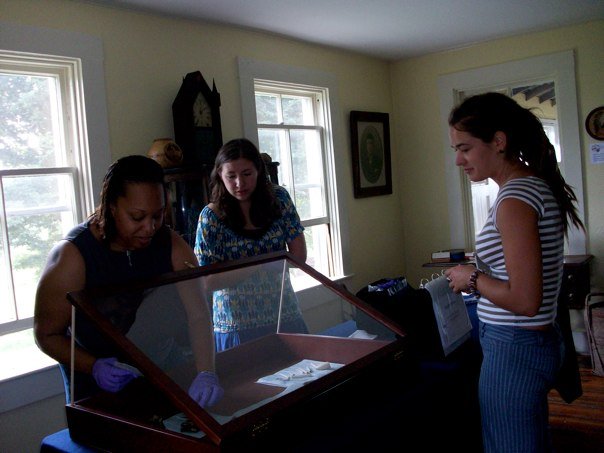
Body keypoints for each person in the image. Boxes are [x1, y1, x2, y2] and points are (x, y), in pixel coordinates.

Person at [444, 92, 584, 452]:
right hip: (530, 342)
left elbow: (525, 300)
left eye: (465, 148)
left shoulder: (515, 199)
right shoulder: (530, 186)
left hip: (515, 347)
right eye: (456, 150)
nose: (458, 160)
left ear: (498, 142)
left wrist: (471, 278)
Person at [34, 155, 223, 408]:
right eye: (137, 217)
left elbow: (198, 314)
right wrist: (94, 366)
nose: (150, 227)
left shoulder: (171, 244)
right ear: (111, 206)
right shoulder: (73, 257)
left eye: (158, 215)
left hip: (162, 371)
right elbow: (46, 334)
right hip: (97, 384)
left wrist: (206, 372)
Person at [194, 138, 308, 352]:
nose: (240, 183)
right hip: (235, 325)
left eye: (247, 174)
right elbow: (206, 282)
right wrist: (260, 265)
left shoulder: (279, 199)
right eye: (231, 176)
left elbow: (299, 257)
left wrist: (244, 268)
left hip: (284, 314)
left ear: (258, 171)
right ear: (220, 175)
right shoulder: (210, 217)